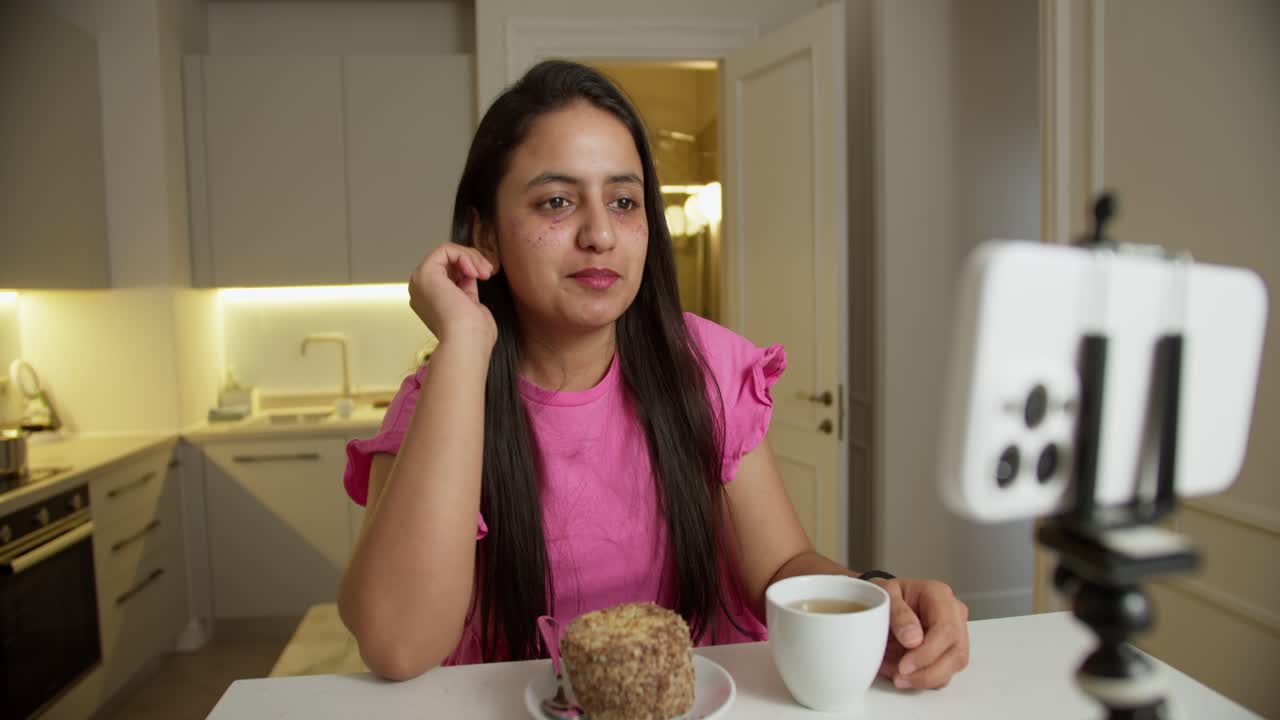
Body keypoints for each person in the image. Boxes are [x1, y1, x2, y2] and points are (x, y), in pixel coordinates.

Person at [337, 60, 970, 690]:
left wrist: (874, 599)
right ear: (486, 234)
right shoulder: (443, 397)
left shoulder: (707, 366)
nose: (601, 234)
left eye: (623, 201)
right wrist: (464, 343)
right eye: (556, 201)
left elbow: (780, 563)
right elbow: (397, 642)